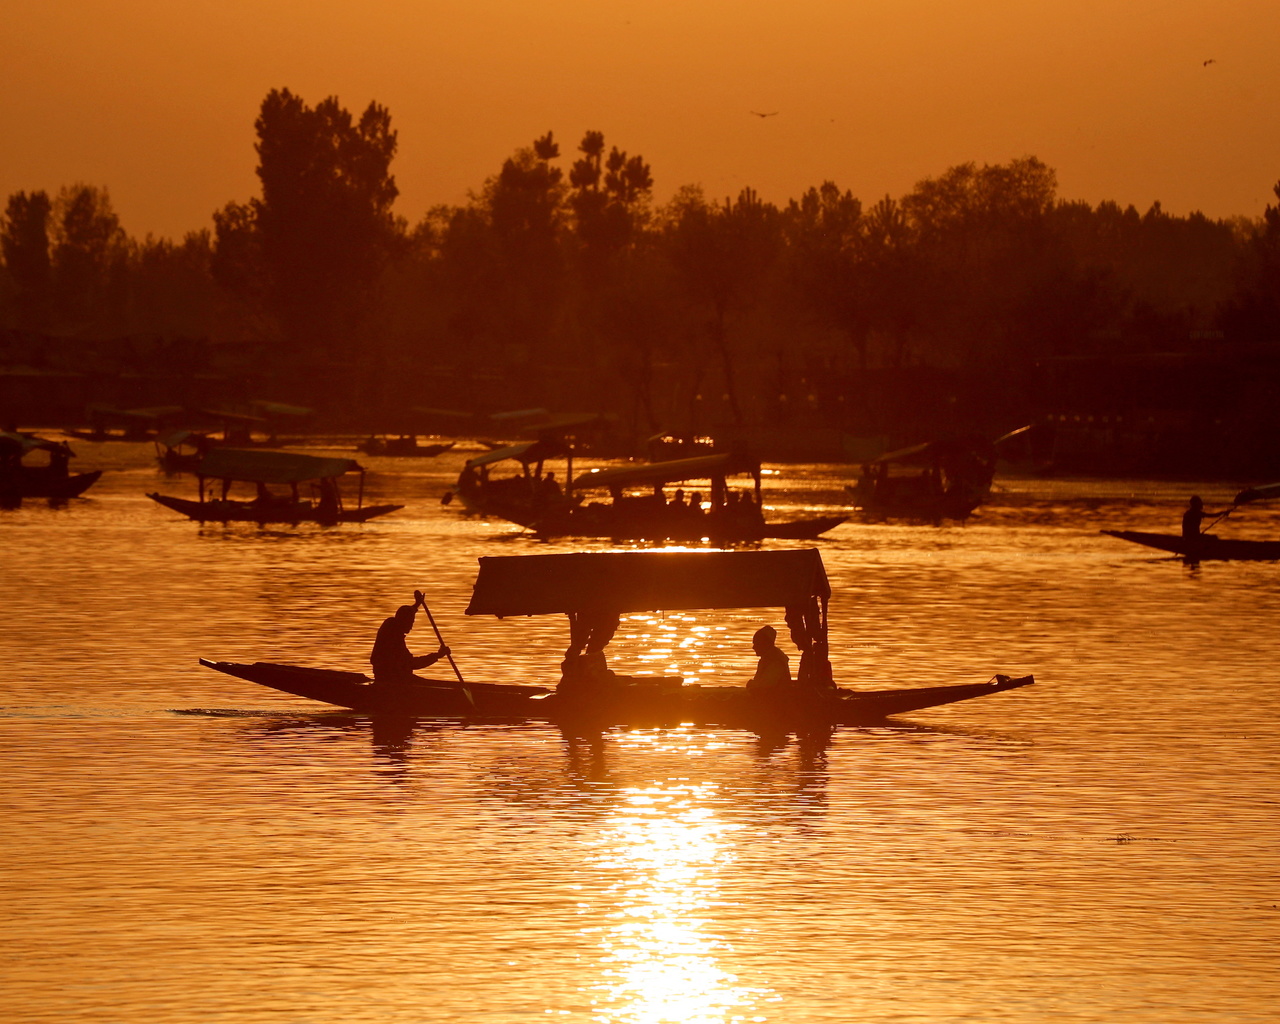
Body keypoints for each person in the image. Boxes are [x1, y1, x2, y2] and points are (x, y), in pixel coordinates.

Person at [370, 594, 450, 683]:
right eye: (410, 623)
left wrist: (417, 604)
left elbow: (406, 613)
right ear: (404, 621)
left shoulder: (390, 624)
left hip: (395, 676)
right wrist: (437, 656)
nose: (411, 627)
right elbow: (412, 663)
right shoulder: (394, 639)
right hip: (392, 679)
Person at [745, 624, 792, 693]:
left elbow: (765, 686)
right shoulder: (766, 659)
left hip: (776, 700)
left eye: (756, 643)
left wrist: (751, 684)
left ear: (765, 644)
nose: (753, 647)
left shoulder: (776, 662)